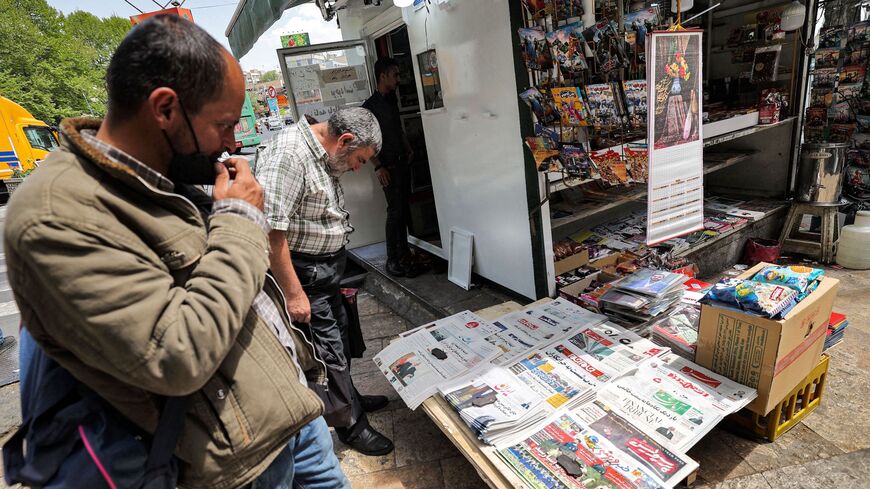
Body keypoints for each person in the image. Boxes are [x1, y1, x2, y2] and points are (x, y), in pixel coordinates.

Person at [3, 15, 349, 489]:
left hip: (290, 415)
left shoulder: (164, 171)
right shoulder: (56, 215)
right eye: (223, 125)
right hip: (240, 467)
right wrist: (240, 219)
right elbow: (178, 353)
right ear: (165, 110)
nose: (233, 142)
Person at [254, 108, 394, 456]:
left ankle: (351, 398)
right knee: (327, 350)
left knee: (342, 339)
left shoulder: (326, 155)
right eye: (359, 159)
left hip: (327, 269)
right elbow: (272, 230)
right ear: (345, 141)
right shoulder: (289, 154)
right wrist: (293, 293)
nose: (358, 167)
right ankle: (351, 425)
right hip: (304, 275)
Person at [362, 58, 419, 277]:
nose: (398, 80)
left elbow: (397, 127)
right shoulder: (369, 107)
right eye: (394, 75)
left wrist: (407, 147)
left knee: (403, 209)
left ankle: (404, 255)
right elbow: (364, 142)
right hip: (387, 166)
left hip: (402, 161)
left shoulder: (391, 100)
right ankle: (392, 259)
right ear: (383, 75)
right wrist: (378, 167)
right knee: (394, 212)